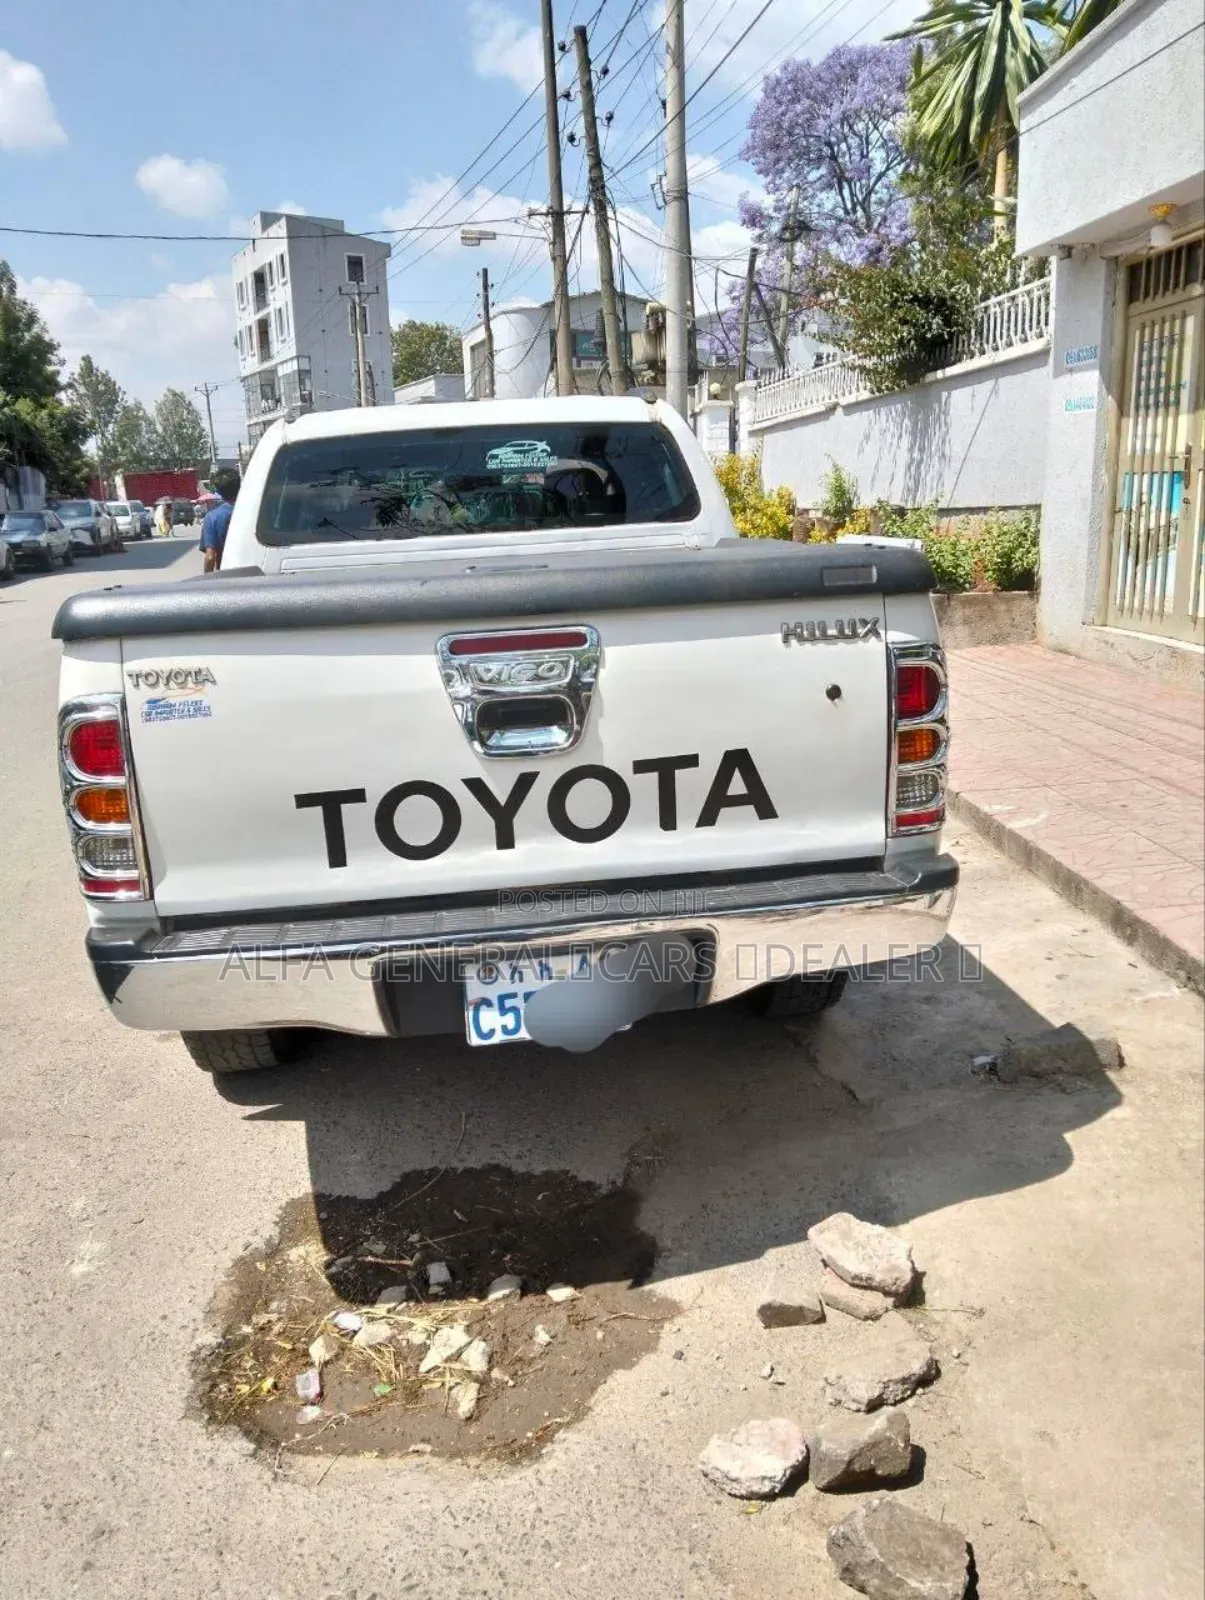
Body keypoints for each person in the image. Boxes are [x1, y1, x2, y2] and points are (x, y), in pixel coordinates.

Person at [199, 471, 239, 573]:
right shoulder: (256, 511)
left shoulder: (213, 517)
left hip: (227, 574)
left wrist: (206, 580)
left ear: (218, 491)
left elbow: (210, 556)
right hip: (257, 574)